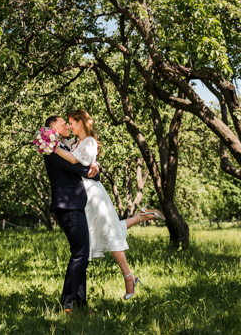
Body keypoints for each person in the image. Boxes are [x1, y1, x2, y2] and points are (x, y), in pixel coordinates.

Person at [52, 109, 165, 300]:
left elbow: (75, 162)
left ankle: (128, 277)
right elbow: (80, 167)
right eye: (67, 123)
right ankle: (142, 216)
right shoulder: (72, 142)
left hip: (93, 194)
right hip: (82, 194)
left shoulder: (89, 142)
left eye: (71, 122)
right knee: (106, 229)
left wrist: (51, 145)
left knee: (109, 231)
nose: (69, 126)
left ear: (80, 122)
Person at [42, 115, 99, 315]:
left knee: (82, 253)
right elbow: (75, 167)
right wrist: (92, 170)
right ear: (52, 128)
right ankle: (67, 304)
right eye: (62, 123)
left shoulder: (65, 146)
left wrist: (94, 167)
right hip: (67, 206)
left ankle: (80, 303)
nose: (67, 125)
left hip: (75, 204)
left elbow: (82, 165)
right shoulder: (50, 148)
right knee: (80, 253)